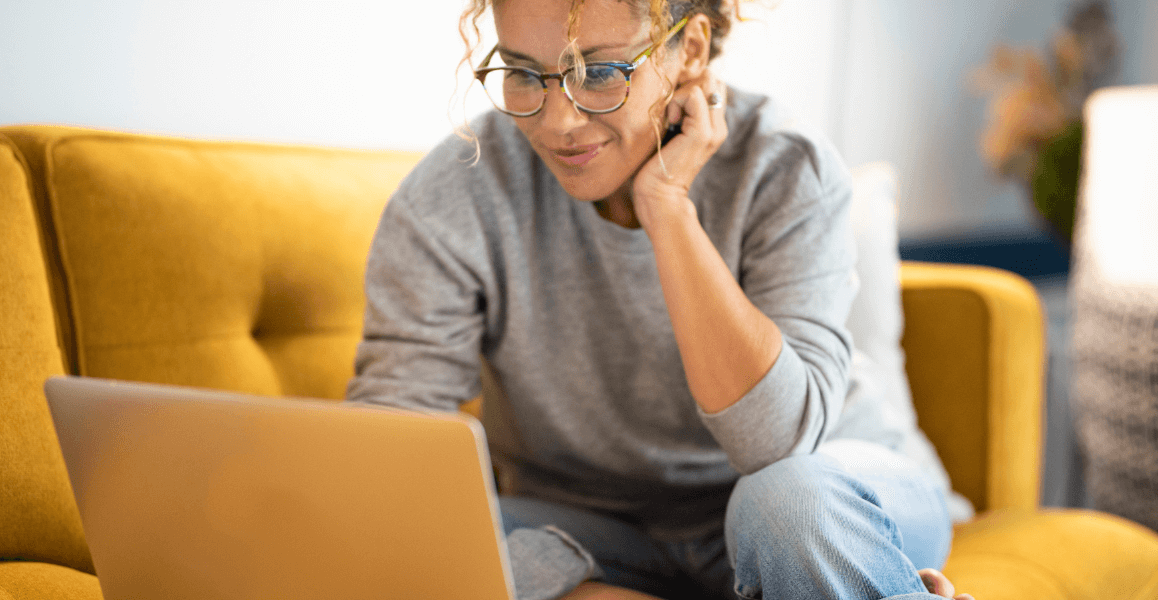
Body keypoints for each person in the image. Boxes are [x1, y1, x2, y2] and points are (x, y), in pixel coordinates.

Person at [347, 0, 975, 598]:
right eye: (521, 73)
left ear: (690, 50)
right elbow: (396, 444)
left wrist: (668, 210)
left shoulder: (785, 167)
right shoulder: (454, 193)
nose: (557, 120)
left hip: (824, 490)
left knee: (788, 506)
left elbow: (778, 443)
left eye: (598, 72)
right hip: (596, 527)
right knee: (425, 542)